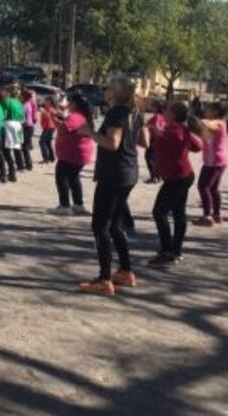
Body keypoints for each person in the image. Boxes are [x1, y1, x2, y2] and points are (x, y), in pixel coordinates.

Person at [77, 77, 147, 296]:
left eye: (107, 88)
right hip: (129, 171)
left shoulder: (116, 112)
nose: (104, 91)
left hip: (114, 174)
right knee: (116, 225)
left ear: (115, 92)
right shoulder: (135, 112)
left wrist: (89, 133)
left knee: (100, 226)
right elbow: (145, 141)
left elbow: (112, 143)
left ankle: (104, 279)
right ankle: (125, 271)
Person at [148, 101, 203, 267]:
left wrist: (160, 135)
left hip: (177, 178)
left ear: (173, 114)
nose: (164, 111)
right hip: (183, 175)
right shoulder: (180, 128)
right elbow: (197, 146)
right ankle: (175, 250)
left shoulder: (173, 129)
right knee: (178, 214)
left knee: (159, 213)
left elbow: (184, 141)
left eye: (167, 109)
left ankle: (168, 251)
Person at [49, 94, 94, 216]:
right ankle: (78, 204)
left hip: (72, 154)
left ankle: (65, 205)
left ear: (74, 104)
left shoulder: (76, 116)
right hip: (78, 153)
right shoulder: (81, 115)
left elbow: (66, 127)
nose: (67, 104)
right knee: (73, 178)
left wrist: (53, 118)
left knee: (62, 177)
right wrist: (60, 116)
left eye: (69, 102)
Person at [192, 102, 228, 227]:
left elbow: (203, 123)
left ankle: (207, 216)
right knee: (213, 188)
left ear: (215, 112)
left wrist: (193, 119)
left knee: (203, 186)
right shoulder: (215, 126)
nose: (206, 111)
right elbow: (203, 133)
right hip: (217, 161)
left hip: (214, 162)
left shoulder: (218, 123)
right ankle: (216, 215)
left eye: (208, 109)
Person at [1, 85, 25, 181]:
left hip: (9, 124)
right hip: (18, 125)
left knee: (6, 150)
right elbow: (23, 117)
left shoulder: (7, 101)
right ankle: (20, 165)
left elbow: (2, 114)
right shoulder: (19, 102)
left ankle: (11, 171)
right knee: (17, 148)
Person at [144, 100, 166, 184]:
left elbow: (155, 126)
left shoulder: (157, 116)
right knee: (156, 158)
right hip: (160, 140)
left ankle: (154, 177)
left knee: (149, 157)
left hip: (154, 139)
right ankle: (158, 176)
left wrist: (149, 125)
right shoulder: (163, 117)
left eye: (153, 106)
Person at [20, 88, 37, 171]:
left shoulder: (25, 105)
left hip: (26, 127)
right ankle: (27, 163)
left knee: (24, 147)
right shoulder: (29, 104)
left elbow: (22, 117)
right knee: (25, 146)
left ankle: (28, 164)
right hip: (30, 127)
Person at [38, 96, 57, 164]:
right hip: (47, 127)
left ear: (50, 102)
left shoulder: (51, 109)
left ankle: (46, 158)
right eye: (45, 101)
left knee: (42, 142)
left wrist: (44, 112)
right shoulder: (47, 108)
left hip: (49, 127)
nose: (45, 102)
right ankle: (51, 158)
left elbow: (49, 117)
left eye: (46, 101)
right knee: (47, 143)